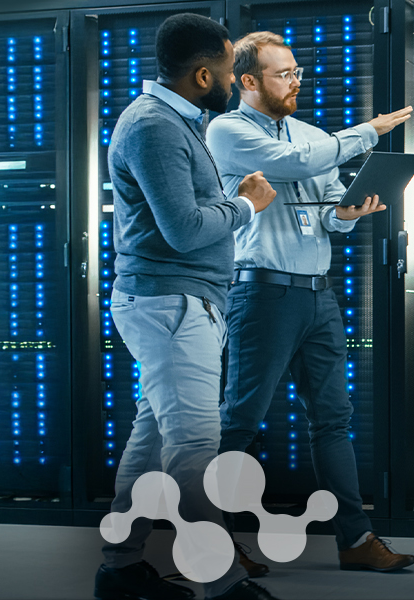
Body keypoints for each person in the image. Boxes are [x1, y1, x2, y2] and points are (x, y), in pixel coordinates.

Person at [205, 31, 414, 575]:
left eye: (298, 72)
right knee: (241, 421)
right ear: (248, 81)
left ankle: (356, 540)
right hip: (262, 293)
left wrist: (343, 216)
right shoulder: (227, 130)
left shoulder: (310, 134)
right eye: (284, 74)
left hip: (318, 295)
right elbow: (296, 165)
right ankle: (216, 540)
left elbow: (321, 203)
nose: (295, 81)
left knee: (333, 419)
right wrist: (368, 131)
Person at [94, 14, 283, 600]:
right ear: (204, 74)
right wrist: (246, 205)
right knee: (195, 447)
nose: (236, 80)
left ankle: (120, 570)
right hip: (170, 305)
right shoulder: (154, 127)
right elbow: (182, 229)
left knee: (151, 441)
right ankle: (221, 581)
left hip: (178, 303)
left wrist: (228, 203)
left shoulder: (172, 120)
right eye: (230, 70)